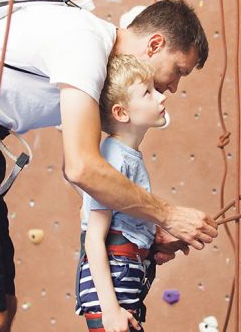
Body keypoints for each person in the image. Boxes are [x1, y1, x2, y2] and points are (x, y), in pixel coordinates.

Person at [0, 0, 218, 331]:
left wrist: (144, 227)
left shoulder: (90, 54)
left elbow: (93, 182)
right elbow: (81, 169)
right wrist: (168, 215)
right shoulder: (84, 46)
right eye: (179, 71)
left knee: (1, 308)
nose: (173, 87)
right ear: (155, 45)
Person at [75, 55, 170, 332]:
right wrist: (110, 310)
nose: (160, 97)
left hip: (124, 274)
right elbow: (94, 237)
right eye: (148, 92)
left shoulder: (125, 156)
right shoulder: (114, 160)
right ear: (121, 113)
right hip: (111, 285)